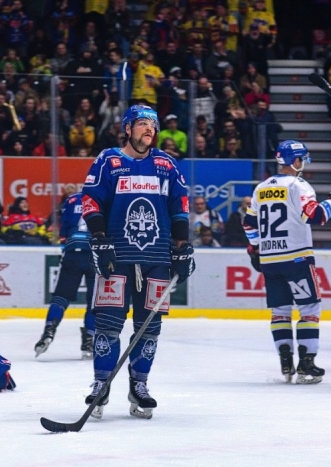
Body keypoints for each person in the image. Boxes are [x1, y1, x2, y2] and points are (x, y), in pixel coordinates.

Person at [81, 105, 194, 419]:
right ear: (128, 128)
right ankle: (101, 384)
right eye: (143, 124)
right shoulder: (109, 160)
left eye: (153, 126)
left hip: (157, 257)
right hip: (116, 255)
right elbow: (90, 199)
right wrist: (99, 237)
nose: (149, 130)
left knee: (150, 327)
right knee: (108, 324)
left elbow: (180, 206)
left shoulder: (166, 164)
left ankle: (139, 385)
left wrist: (182, 246)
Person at [243, 140, 331, 384]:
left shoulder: (261, 188)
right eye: (302, 158)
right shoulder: (298, 185)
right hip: (296, 257)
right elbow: (315, 216)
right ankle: (306, 363)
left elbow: (249, 224)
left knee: (280, 311)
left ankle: (285, 363)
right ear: (295, 161)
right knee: (309, 309)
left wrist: (256, 250)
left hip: (270, 260)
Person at [34, 192, 96, 360]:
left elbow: (64, 230)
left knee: (61, 297)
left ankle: (48, 331)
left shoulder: (72, 200)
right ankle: (89, 340)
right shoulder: (104, 198)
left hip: (72, 252)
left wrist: (67, 245)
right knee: (94, 301)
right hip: (94, 253)